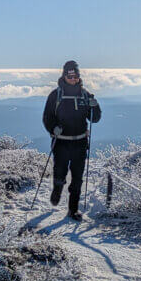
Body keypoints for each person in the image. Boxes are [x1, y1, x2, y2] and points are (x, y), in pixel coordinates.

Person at [42, 60, 101, 220]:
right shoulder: (56, 95)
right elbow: (47, 117)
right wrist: (53, 128)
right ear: (64, 75)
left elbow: (94, 119)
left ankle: (73, 209)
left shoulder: (85, 95)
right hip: (61, 141)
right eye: (70, 75)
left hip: (80, 142)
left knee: (77, 177)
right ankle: (57, 189)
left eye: (75, 75)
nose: (73, 78)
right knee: (59, 171)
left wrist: (95, 106)